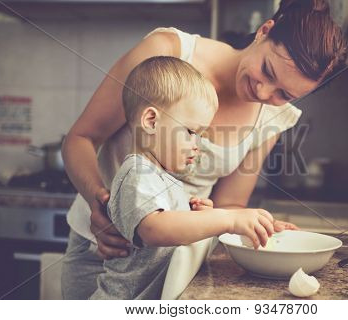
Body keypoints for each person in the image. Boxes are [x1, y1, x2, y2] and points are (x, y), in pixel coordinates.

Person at [61, 0, 348, 299]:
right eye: (267, 70)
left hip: (171, 268)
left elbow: (229, 205)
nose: (263, 93)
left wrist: (255, 226)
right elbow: (81, 138)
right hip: (103, 253)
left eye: (284, 94)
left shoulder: (275, 116)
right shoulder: (168, 52)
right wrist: (100, 206)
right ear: (264, 31)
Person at [90, 56, 275, 299]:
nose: (197, 145)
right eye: (191, 132)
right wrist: (226, 219)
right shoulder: (135, 173)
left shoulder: (164, 179)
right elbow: (154, 229)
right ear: (151, 121)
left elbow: (175, 228)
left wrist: (199, 216)